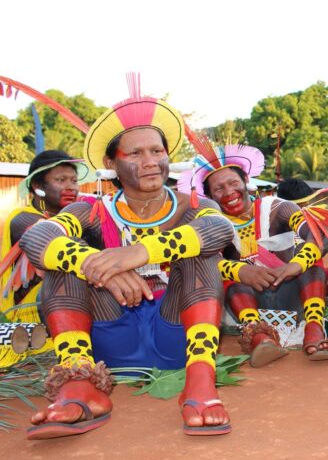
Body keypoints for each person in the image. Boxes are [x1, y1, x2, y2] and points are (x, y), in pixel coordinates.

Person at [20, 75, 236, 438]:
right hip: (110, 346)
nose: (150, 161)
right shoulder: (90, 210)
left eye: (157, 151)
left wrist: (135, 254)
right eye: (135, 153)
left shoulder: (197, 205)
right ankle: (80, 380)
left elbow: (220, 231)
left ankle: (200, 381)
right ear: (111, 162)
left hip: (177, 339)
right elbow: (39, 236)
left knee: (199, 249)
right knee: (63, 261)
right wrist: (100, 267)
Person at [178, 137, 328, 367]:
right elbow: (203, 263)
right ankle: (257, 336)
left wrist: (295, 265)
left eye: (233, 183)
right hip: (244, 306)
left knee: (312, 266)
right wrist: (241, 271)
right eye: (219, 188)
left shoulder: (277, 208)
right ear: (210, 196)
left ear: (246, 180)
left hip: (292, 298)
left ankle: (313, 327)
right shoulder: (209, 222)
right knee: (226, 279)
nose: (228, 192)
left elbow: (316, 233)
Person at [2, 150, 90, 325]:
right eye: (60, 180)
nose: (71, 187)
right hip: (27, 314)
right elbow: (56, 242)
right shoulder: (24, 219)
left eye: (74, 180)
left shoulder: (76, 216)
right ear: (37, 186)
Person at [276, 177, 328, 303]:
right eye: (300, 205)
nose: (305, 208)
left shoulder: (315, 225)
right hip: (286, 283)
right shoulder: (273, 225)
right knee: (306, 257)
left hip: (319, 280)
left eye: (307, 203)